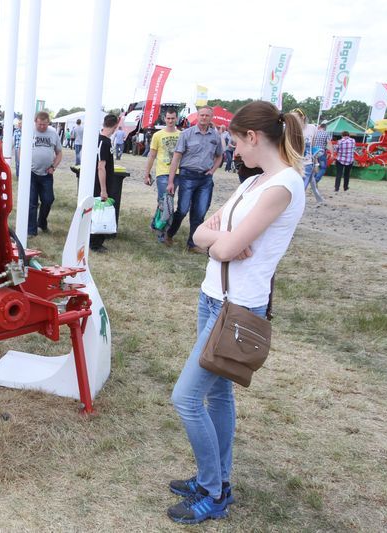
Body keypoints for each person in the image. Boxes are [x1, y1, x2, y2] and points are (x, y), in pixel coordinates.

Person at [168, 101, 306, 524]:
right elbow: (199, 233)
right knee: (216, 393)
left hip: (238, 306)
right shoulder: (253, 182)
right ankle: (217, 481)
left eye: (234, 142)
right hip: (213, 296)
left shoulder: (282, 186)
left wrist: (218, 239)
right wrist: (218, 239)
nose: (233, 152)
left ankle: (213, 490)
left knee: (186, 398)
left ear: (253, 137)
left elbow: (220, 243)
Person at [165, 107, 223, 253]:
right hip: (187, 176)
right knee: (183, 210)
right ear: (197, 116)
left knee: (200, 212)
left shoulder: (215, 136)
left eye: (207, 115)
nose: (204, 118)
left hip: (205, 179)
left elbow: (220, 156)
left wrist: (212, 171)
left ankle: (192, 244)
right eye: (202, 115)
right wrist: (171, 182)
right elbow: (176, 158)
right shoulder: (186, 134)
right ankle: (170, 233)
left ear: (211, 117)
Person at [144, 108, 180, 244]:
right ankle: (161, 232)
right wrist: (146, 173)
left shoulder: (182, 135)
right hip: (162, 173)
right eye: (168, 118)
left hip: (177, 173)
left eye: (173, 118)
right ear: (165, 119)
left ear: (177, 119)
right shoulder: (157, 135)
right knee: (165, 203)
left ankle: (154, 223)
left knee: (166, 202)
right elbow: (152, 155)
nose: (170, 121)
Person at [27, 111, 62, 236]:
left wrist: (53, 166)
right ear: (35, 121)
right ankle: (31, 230)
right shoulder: (29, 131)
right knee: (32, 202)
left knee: (48, 199)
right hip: (31, 173)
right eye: (40, 124)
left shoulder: (53, 133)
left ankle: (41, 222)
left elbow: (59, 153)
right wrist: (24, 166)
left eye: (45, 124)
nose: (42, 127)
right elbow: (21, 149)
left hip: (47, 174)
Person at [90, 114, 119, 253]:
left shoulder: (101, 139)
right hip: (100, 182)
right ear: (115, 125)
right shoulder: (104, 142)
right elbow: (101, 166)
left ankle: (95, 240)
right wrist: (103, 189)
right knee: (99, 211)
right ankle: (95, 243)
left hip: (99, 181)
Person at [292, 108, 324, 204]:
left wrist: (316, 163)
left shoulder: (312, 128)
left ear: (303, 117)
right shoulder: (291, 129)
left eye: (295, 118)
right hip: (294, 163)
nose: (293, 121)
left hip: (308, 163)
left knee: (303, 187)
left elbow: (313, 145)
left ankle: (297, 204)